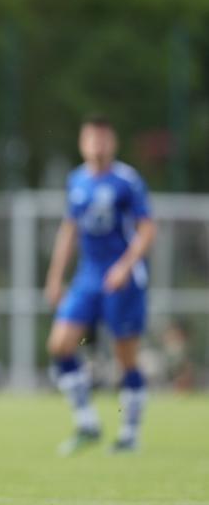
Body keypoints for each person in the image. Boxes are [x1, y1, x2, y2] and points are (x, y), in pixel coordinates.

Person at [45, 115, 156, 454]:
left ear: (113, 143)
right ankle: (87, 423)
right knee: (60, 344)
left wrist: (125, 266)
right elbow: (70, 230)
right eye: (91, 138)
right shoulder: (76, 180)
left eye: (103, 139)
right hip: (88, 277)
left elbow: (147, 229)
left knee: (125, 356)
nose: (97, 145)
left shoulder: (126, 180)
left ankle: (130, 433)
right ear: (82, 142)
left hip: (122, 278)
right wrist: (55, 276)